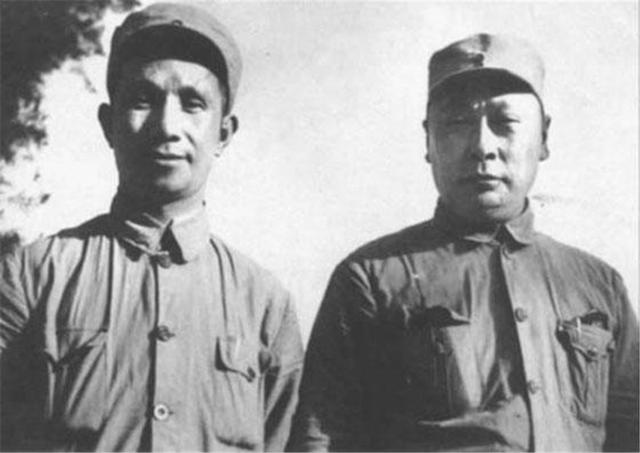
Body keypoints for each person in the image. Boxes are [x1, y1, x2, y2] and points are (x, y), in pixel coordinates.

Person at [288, 33, 639, 451]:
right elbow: (322, 436)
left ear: (544, 137)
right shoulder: (369, 279)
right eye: (457, 123)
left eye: (505, 124)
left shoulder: (599, 286)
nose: (482, 147)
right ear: (428, 140)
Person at [0, 3, 303, 451]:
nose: (166, 126)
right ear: (109, 124)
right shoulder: (33, 277)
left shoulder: (265, 305)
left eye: (193, 104)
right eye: (143, 100)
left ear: (223, 133)